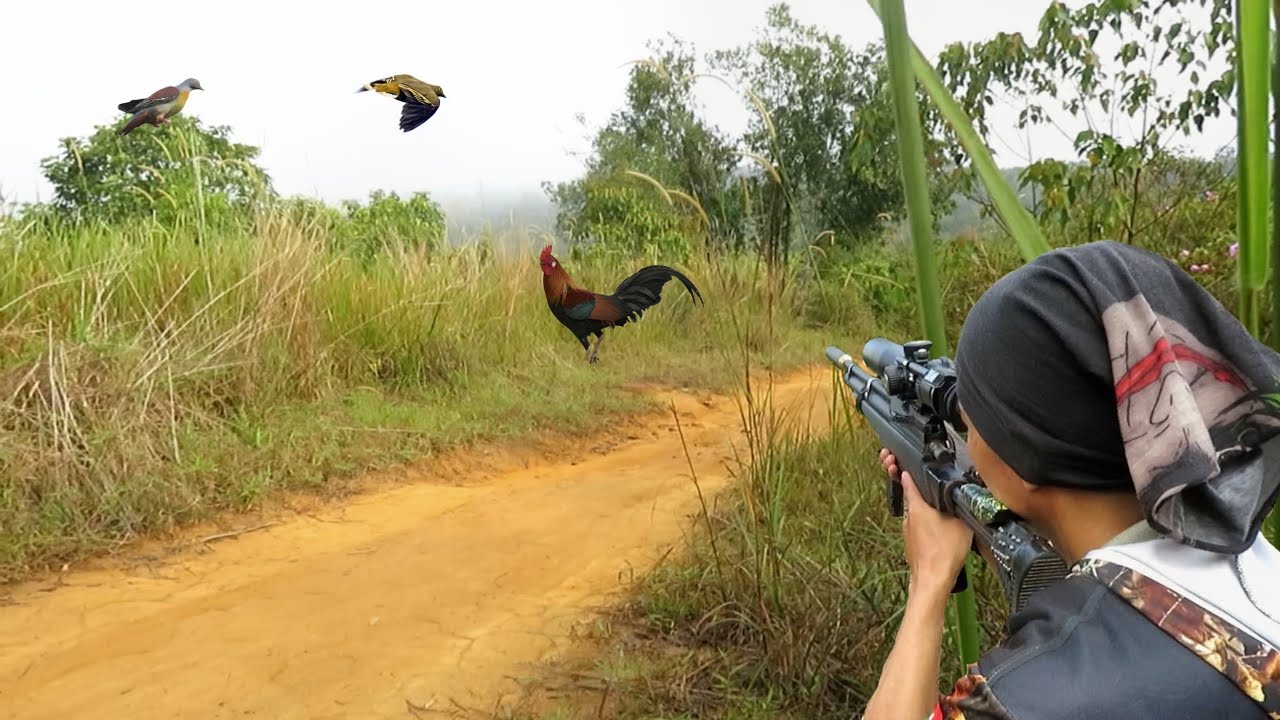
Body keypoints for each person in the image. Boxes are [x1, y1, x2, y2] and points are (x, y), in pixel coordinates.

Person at [862, 241, 1280, 720]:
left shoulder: (1019, 698)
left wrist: (929, 580)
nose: (968, 441)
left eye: (972, 424)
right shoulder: (1244, 561)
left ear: (1024, 455)